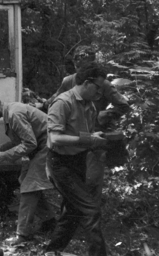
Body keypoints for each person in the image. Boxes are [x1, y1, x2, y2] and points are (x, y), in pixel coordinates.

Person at [41, 62, 110, 256]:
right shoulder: (62, 103)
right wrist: (89, 139)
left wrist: (97, 140)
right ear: (87, 83)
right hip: (60, 164)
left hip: (78, 161)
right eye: (98, 87)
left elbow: (85, 136)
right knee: (90, 211)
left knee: (71, 214)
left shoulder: (89, 105)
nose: (100, 92)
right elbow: (55, 139)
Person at [44, 45, 130, 204]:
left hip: (94, 138)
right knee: (73, 187)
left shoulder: (102, 83)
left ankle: (91, 220)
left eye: (87, 62)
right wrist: (41, 105)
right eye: (79, 63)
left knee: (91, 183)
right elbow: (54, 101)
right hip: (72, 139)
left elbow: (123, 105)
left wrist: (105, 115)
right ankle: (78, 219)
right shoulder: (69, 81)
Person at [0, 94, 56, 245]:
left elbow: (29, 144)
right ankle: (50, 221)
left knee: (29, 187)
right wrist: (0, 148)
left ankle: (23, 234)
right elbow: (18, 140)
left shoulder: (14, 114)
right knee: (25, 181)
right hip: (40, 146)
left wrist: (4, 156)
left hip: (48, 146)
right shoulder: (9, 112)